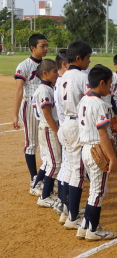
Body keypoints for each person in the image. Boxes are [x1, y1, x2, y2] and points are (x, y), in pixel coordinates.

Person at [75, 64, 117, 241]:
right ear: (101, 83)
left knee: (96, 189)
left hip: (86, 148)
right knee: (98, 191)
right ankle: (94, 230)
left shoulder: (83, 100)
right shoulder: (100, 104)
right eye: (109, 84)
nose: (110, 87)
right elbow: (102, 134)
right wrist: (112, 158)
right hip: (97, 149)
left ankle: (85, 226)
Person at [58, 40, 92, 230]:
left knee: (71, 169)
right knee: (78, 172)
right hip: (78, 124)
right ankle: (73, 216)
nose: (88, 62)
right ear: (78, 58)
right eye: (87, 58)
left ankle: (66, 211)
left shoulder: (63, 76)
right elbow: (90, 99)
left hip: (66, 124)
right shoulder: (81, 76)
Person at [13, 34, 48, 192]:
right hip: (29, 106)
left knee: (47, 141)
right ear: (32, 47)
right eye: (42, 46)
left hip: (46, 105)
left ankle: (47, 176)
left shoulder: (48, 64)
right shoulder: (24, 65)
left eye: (47, 45)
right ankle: (34, 179)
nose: (46, 48)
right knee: (31, 143)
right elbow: (19, 90)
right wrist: (15, 115)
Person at [32, 59, 62, 208]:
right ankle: (44, 196)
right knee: (54, 163)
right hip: (48, 128)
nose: (57, 74)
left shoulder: (48, 88)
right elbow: (48, 115)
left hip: (49, 127)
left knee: (54, 163)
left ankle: (47, 193)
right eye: (55, 71)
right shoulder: (44, 90)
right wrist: (58, 133)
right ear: (45, 73)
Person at [53, 49, 71, 223]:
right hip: (69, 127)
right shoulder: (65, 81)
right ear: (64, 64)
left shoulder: (59, 82)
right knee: (71, 170)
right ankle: (66, 207)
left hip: (64, 127)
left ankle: (62, 203)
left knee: (66, 168)